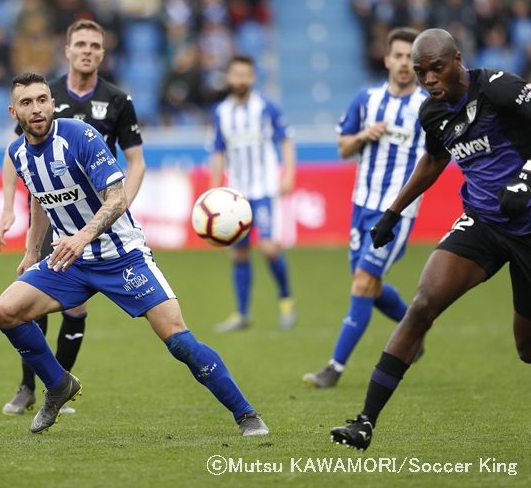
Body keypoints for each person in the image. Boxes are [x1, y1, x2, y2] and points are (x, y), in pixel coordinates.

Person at [0, 72, 268, 436]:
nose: (37, 108)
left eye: (42, 100)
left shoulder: (79, 136)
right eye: (26, 103)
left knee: (178, 340)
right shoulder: (18, 154)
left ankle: (246, 414)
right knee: (5, 311)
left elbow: (117, 198)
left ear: (52, 103)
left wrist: (82, 236)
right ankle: (58, 385)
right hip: (71, 262)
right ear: (14, 112)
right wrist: (31, 252)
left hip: (121, 256)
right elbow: (40, 197)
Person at [331, 28, 531, 450]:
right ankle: (364, 422)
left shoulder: (498, 88)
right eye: (422, 72)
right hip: (484, 223)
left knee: (526, 348)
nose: (429, 79)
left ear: (457, 60)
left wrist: (525, 180)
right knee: (422, 305)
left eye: (436, 68)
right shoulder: (433, 112)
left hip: (528, 224)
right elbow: (434, 160)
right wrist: (392, 212)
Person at [0, 19, 146, 416]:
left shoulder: (118, 100)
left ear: (102, 53)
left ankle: (57, 386)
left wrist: (120, 205)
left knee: (77, 308)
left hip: (97, 215)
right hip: (54, 212)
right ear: (67, 50)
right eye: (80, 44)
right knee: (32, 296)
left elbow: (136, 162)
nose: (87, 51)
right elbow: (16, 153)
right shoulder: (44, 95)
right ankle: (27, 386)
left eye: (94, 45)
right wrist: (9, 207)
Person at [303, 27, 428, 388]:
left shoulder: (426, 107)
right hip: (361, 207)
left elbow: (437, 157)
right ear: (387, 59)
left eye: (410, 58)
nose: (404, 63)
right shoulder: (366, 99)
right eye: (398, 56)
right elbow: (343, 148)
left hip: (396, 212)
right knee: (369, 286)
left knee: (363, 283)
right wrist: (363, 135)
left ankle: (334, 368)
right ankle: (415, 326)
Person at [210, 55, 297, 332]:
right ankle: (242, 314)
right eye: (236, 74)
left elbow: (286, 140)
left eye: (245, 74)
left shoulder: (266, 107)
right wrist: (215, 188)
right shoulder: (221, 112)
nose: (241, 80)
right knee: (238, 254)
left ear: (253, 77)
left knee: (269, 248)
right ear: (229, 77)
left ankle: (285, 299)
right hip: (236, 195)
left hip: (264, 190)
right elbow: (218, 150)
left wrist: (288, 174)